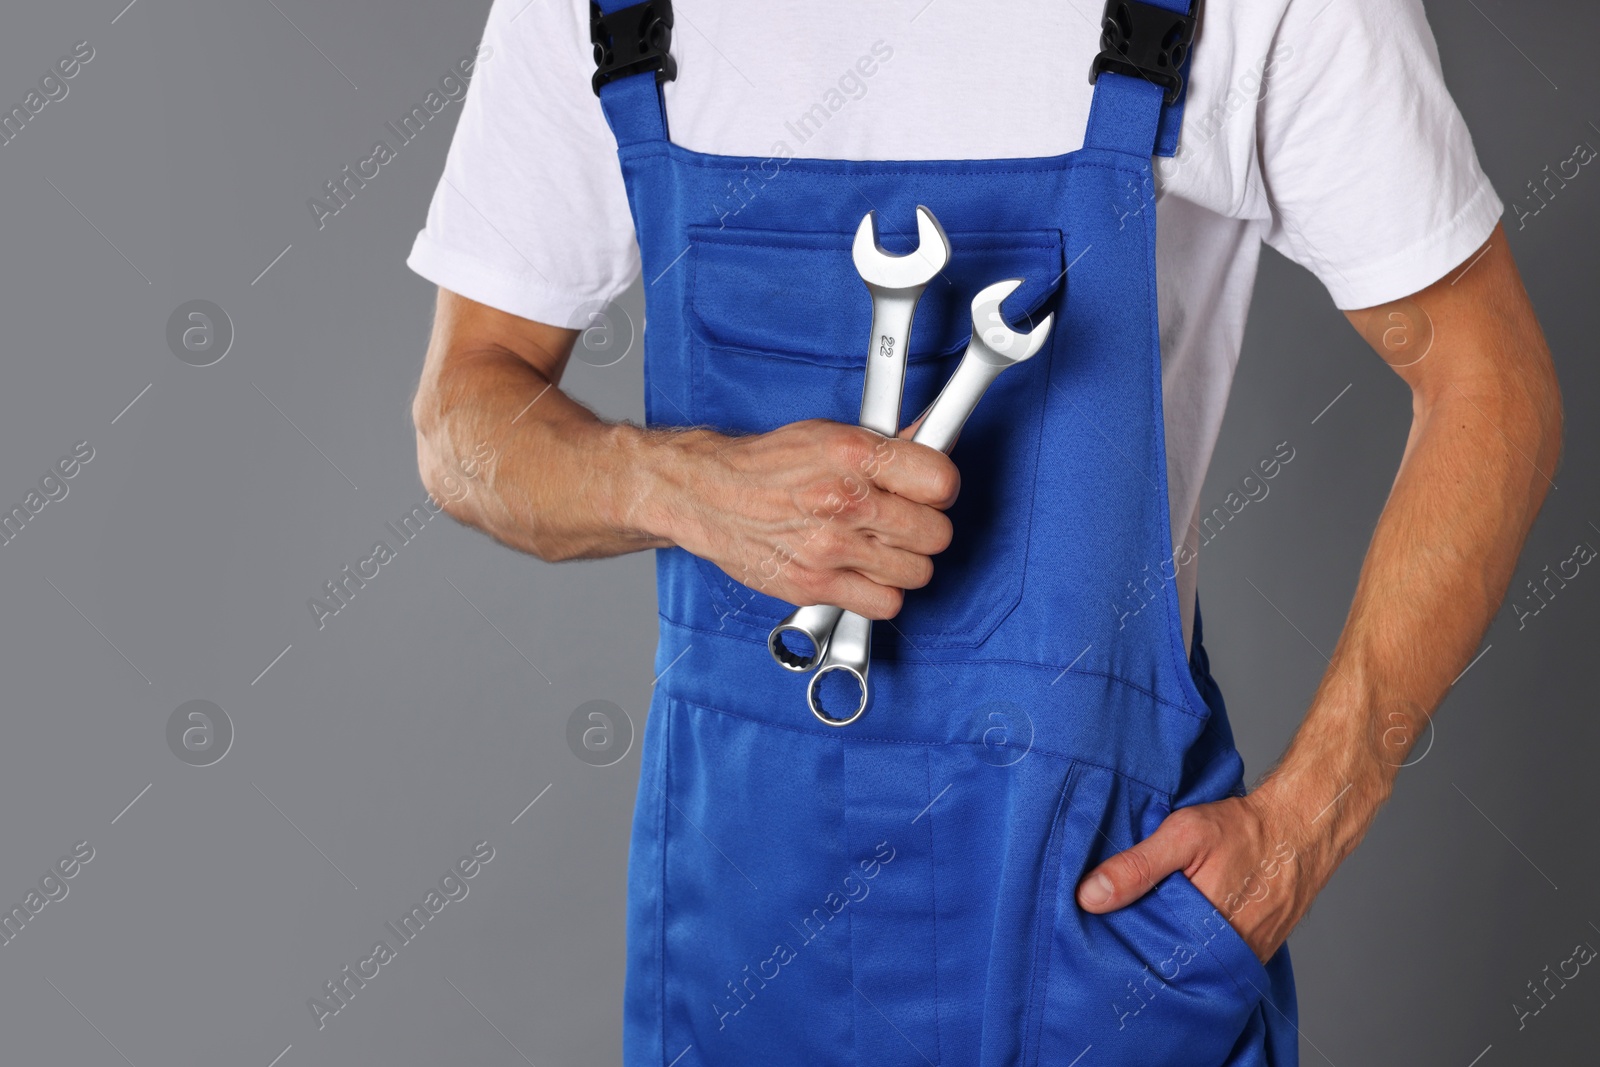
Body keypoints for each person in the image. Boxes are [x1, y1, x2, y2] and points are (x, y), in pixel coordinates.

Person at [406, 0, 1561, 1063]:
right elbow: (463, 420)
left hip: (1097, 946)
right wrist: (676, 483)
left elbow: (1489, 382)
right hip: (735, 938)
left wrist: (1304, 826)